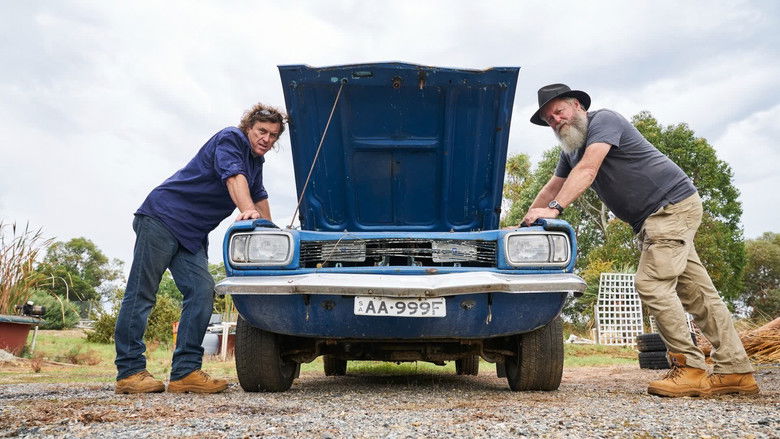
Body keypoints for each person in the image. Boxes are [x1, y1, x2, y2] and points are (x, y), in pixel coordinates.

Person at [522, 84, 759, 397]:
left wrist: (554, 210)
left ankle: (689, 369)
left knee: (651, 284)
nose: (556, 120)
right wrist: (524, 222)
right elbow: (552, 187)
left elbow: (589, 170)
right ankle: (737, 371)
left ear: (577, 105)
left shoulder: (604, 121)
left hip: (669, 208)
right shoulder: (571, 151)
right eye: (549, 118)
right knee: (698, 294)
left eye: (558, 111)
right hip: (657, 217)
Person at [114, 104, 286, 394]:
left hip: (191, 234)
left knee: (203, 291)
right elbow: (235, 178)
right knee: (142, 292)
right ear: (248, 128)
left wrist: (273, 235)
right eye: (262, 131)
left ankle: (185, 373)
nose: (267, 139)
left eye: (273, 136)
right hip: (161, 217)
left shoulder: (256, 163)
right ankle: (129, 372)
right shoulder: (230, 138)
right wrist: (246, 212)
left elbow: (259, 196)